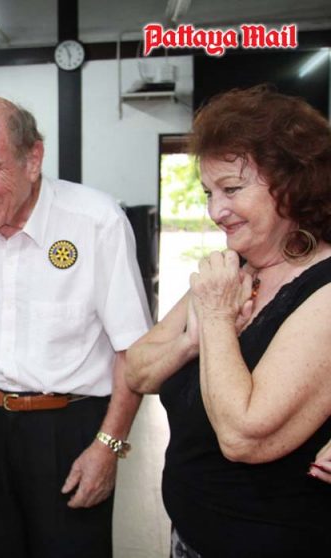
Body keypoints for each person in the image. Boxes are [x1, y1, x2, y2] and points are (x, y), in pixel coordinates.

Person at [0, 96, 151, 557]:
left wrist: (108, 446)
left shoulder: (96, 222)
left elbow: (132, 351)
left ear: (33, 159)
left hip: (70, 427)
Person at [126, 85, 331, 556]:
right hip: (190, 536)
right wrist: (190, 342)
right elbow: (137, 369)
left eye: (232, 189)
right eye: (209, 193)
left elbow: (242, 436)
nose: (215, 211)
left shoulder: (321, 289)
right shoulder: (233, 269)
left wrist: (216, 317)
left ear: (293, 183)